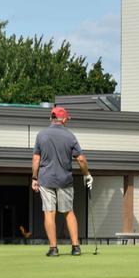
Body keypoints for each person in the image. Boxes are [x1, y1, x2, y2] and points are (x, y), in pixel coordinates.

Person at [32, 106, 93, 257]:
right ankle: (76, 247)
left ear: (50, 118)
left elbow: (36, 159)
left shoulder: (41, 135)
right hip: (65, 180)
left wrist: (34, 177)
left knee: (49, 212)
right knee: (68, 212)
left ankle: (53, 249)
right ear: (64, 119)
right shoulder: (70, 136)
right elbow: (80, 159)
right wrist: (87, 174)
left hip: (46, 179)